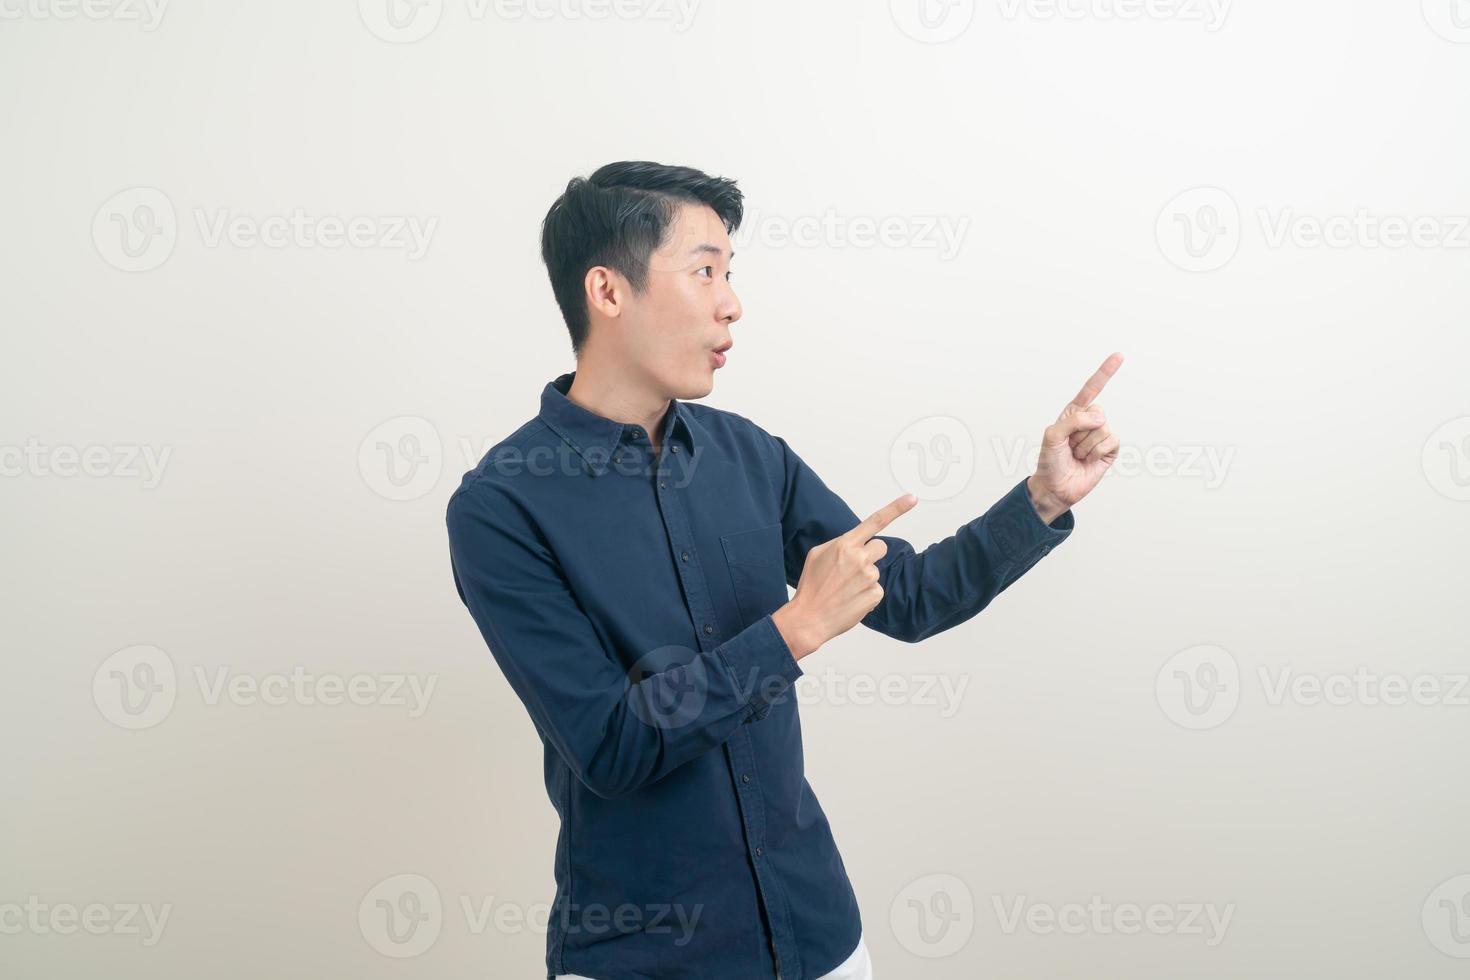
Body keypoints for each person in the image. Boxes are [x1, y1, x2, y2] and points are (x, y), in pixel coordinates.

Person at [445, 161, 1123, 980]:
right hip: (643, 957)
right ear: (608, 291)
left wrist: (1044, 498)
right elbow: (612, 744)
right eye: (705, 271)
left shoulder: (747, 455)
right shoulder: (501, 506)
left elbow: (908, 597)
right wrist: (794, 629)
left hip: (819, 937)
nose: (733, 301)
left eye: (730, 273)